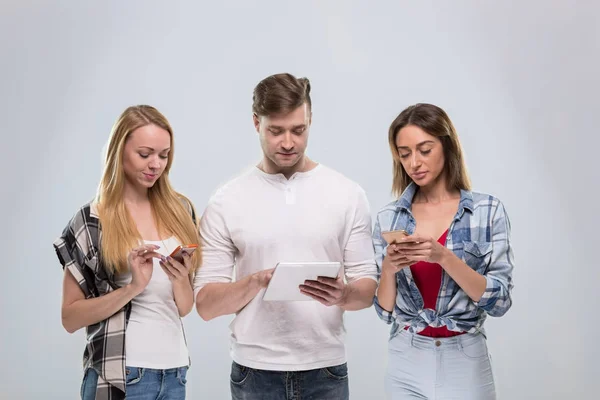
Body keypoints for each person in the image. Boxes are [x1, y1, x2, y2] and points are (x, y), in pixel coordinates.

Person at [193, 73, 378, 400]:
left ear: (310, 120)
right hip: (255, 373)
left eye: (298, 130)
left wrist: (343, 294)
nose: (288, 142)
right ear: (256, 123)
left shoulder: (347, 194)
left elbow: (366, 288)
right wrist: (258, 281)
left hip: (327, 369)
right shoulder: (227, 200)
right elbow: (206, 305)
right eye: (275, 131)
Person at [53, 105, 201, 400]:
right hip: (122, 375)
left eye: (163, 155)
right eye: (144, 154)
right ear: (119, 151)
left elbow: (184, 308)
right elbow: (70, 318)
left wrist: (181, 279)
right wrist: (134, 287)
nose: (155, 165)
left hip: (175, 373)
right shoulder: (91, 220)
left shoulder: (181, 211)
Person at [373, 103, 514, 399]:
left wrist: (444, 258)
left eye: (425, 150)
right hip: (405, 358)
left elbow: (499, 301)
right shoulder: (390, 218)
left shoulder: (487, 211)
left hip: (465, 359)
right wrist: (389, 267)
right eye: (405, 153)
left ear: (447, 146)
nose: (414, 162)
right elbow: (384, 311)